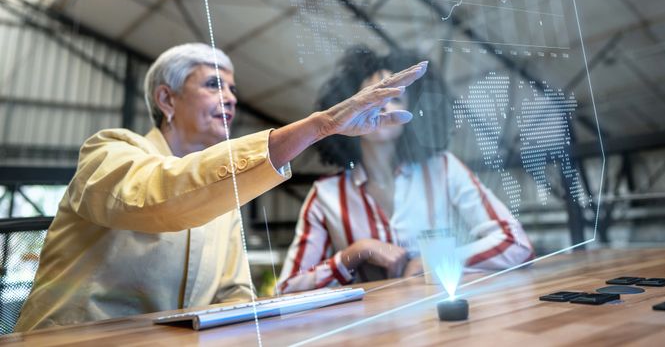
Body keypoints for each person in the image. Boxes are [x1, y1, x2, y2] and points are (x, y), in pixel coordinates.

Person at [15, 43, 426, 331]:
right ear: (166, 99)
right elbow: (161, 197)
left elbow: (234, 293)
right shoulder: (108, 153)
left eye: (232, 89)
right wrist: (318, 127)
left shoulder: (226, 196)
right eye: (214, 85)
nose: (230, 98)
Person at [277, 46, 532, 293]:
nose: (382, 105)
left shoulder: (443, 169)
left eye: (395, 97)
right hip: (369, 333)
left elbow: (516, 243)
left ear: (412, 111)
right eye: (370, 96)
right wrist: (353, 254)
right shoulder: (325, 196)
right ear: (349, 109)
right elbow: (287, 288)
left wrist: (433, 262)